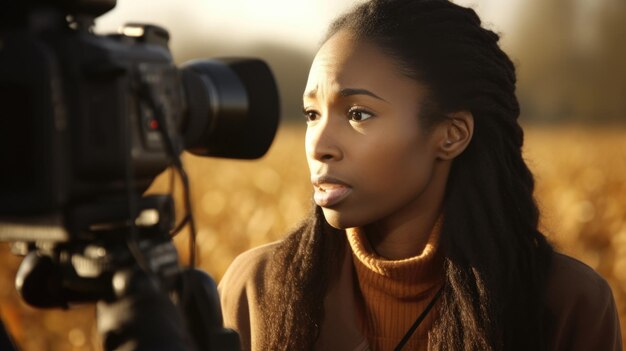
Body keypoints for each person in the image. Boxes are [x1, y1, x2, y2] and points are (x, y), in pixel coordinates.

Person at [217, 0, 623, 350]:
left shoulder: (568, 305)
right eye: (312, 114)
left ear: (451, 135)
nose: (318, 144)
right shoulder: (256, 289)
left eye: (358, 114)